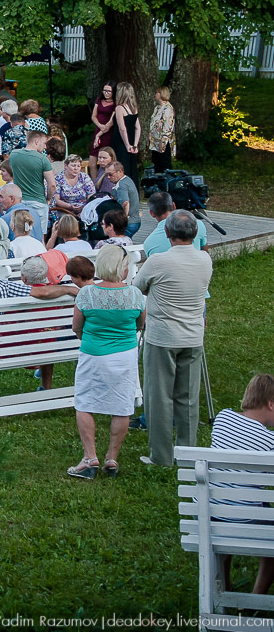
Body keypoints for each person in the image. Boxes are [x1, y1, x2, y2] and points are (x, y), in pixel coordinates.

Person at [135, 211, 215, 466]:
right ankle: (187, 454)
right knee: (188, 397)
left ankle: (161, 456)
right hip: (193, 336)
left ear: (167, 233)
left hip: (162, 337)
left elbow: (138, 287)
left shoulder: (158, 261)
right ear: (194, 234)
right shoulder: (205, 260)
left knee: (159, 396)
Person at [64, 245, 148, 479]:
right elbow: (139, 325)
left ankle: (90, 457)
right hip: (125, 355)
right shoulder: (135, 295)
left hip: (93, 353)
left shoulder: (87, 294)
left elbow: (76, 326)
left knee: (84, 402)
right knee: (121, 405)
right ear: (123, 268)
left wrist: (89, 338)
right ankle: (111, 458)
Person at [209, 374, 274, 596]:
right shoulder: (269, 441)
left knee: (228, 508)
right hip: (245, 519)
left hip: (209, 516)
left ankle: (224, 588)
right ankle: (256, 600)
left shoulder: (222, 418)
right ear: (271, 404)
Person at [53, 153, 96, 228]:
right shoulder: (58, 178)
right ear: (65, 166)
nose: (76, 168)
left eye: (78, 166)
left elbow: (91, 195)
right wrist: (70, 207)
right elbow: (56, 199)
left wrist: (84, 209)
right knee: (67, 222)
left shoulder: (84, 177)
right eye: (73, 165)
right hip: (64, 210)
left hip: (84, 209)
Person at [103, 161, 142, 237]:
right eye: (107, 175)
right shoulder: (127, 179)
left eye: (110, 174)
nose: (108, 177)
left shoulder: (121, 185)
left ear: (120, 171)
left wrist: (122, 221)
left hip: (130, 223)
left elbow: (125, 203)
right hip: (135, 221)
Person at [148, 86, 177, 174]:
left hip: (163, 141)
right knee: (156, 163)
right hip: (155, 141)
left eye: (156, 93)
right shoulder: (157, 108)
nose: (155, 94)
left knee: (164, 163)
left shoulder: (167, 109)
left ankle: (167, 182)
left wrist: (163, 141)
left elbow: (168, 126)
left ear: (161, 94)